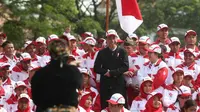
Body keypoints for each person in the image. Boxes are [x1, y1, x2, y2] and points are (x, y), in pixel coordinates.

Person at [31, 39, 83, 111]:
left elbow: (35, 99)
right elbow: (79, 86)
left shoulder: (40, 73)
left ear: (50, 53)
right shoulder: (73, 72)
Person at [94, 29, 129, 109]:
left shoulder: (122, 51)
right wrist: (106, 72)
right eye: (109, 38)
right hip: (106, 84)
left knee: (120, 105)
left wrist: (112, 73)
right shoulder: (101, 52)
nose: (111, 40)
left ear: (116, 39)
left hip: (118, 84)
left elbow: (125, 66)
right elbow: (96, 68)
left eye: (113, 38)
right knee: (106, 105)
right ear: (106, 39)